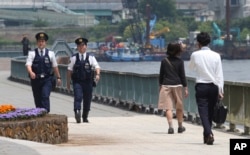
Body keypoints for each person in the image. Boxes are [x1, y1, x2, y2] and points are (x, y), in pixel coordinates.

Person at [188, 32, 224, 145]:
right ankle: (206, 136)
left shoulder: (195, 54)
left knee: (203, 112)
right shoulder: (216, 55)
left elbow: (191, 68)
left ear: (198, 43)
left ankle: (208, 133)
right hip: (214, 86)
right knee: (210, 111)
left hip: (201, 86)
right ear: (209, 42)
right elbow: (219, 75)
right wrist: (220, 90)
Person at [67, 37, 101, 123]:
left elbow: (97, 67)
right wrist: (68, 83)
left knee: (87, 99)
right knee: (78, 97)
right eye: (79, 46)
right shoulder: (74, 58)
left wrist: (97, 74)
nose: (81, 47)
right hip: (77, 82)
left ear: (86, 46)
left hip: (88, 82)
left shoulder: (91, 58)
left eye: (83, 45)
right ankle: (77, 112)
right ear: (77, 47)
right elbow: (69, 70)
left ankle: (85, 116)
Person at [25, 32, 62, 113]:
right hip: (36, 80)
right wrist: (31, 72)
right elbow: (28, 64)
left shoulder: (50, 53)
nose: (41, 43)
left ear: (45, 42)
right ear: (37, 42)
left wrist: (58, 77)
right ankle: (40, 114)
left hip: (47, 79)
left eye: (42, 41)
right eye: (39, 41)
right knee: (37, 99)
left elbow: (55, 66)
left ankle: (46, 113)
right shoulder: (32, 53)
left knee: (45, 96)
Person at [158, 42, 189, 134]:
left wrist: (160, 85)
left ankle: (170, 127)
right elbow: (182, 75)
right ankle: (180, 126)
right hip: (177, 85)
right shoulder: (180, 61)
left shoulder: (164, 61)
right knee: (179, 107)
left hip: (166, 85)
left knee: (168, 108)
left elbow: (161, 75)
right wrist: (186, 87)